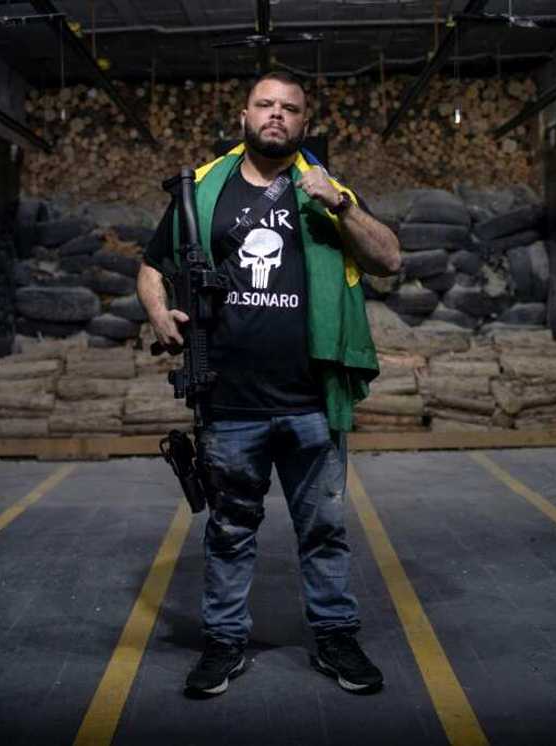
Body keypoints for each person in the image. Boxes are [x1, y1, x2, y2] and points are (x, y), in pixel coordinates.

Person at [136, 70, 401, 698]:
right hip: (229, 399)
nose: (276, 114)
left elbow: (389, 259)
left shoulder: (326, 190)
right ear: (245, 116)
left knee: (324, 530)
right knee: (229, 532)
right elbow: (151, 266)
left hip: (311, 399)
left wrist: (340, 204)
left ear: (305, 122)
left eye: (290, 107)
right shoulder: (204, 190)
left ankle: (335, 637)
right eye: (265, 104)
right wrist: (157, 312)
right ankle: (224, 642)